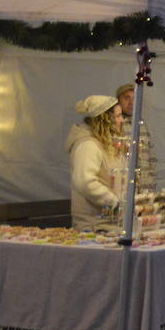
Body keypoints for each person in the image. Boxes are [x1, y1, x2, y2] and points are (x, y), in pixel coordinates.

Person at [66, 95, 125, 230]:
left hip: (111, 224)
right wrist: (113, 202)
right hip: (94, 227)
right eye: (118, 116)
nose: (122, 120)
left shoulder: (105, 144)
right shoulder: (88, 145)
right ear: (104, 120)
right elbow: (85, 182)